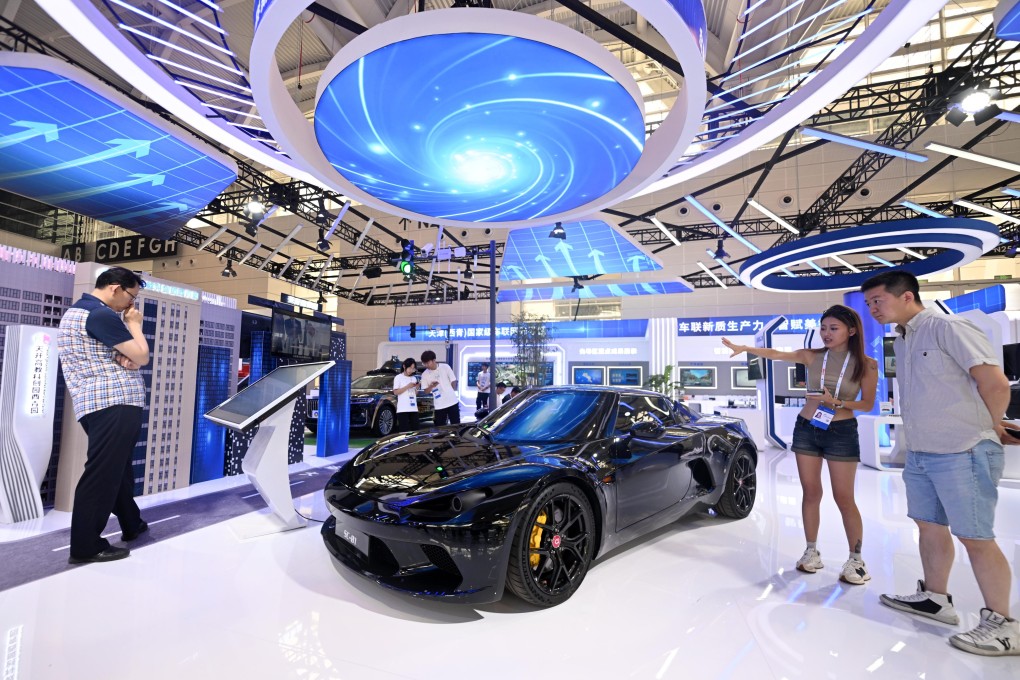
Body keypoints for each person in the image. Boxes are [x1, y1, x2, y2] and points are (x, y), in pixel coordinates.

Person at [862, 270, 1020, 656]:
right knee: (929, 526)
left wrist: (990, 425)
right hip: (921, 452)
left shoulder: (948, 327)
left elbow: (995, 383)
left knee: (976, 537)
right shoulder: (903, 339)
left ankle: (1004, 626)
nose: (872, 309)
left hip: (963, 449)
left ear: (907, 296)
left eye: (878, 301)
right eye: (868, 304)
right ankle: (936, 599)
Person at [722, 304, 877, 586]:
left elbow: (867, 403)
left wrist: (836, 402)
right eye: (823, 328)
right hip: (807, 428)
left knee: (844, 497)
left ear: (852, 331)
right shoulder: (812, 356)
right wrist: (744, 348)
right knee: (810, 492)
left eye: (834, 328)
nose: (826, 333)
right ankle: (811, 551)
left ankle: (856, 559)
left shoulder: (867, 364)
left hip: (842, 432)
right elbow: (776, 354)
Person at [57, 267, 150, 564]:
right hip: (114, 400)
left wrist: (127, 358)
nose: (130, 304)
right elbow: (142, 355)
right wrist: (134, 325)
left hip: (95, 402)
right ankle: (86, 546)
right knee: (102, 474)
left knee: (117, 469)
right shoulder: (100, 314)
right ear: (114, 288)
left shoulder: (79, 312)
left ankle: (131, 523)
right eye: (131, 296)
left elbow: (113, 356)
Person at [421, 349, 460, 426]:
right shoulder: (424, 374)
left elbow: (453, 380)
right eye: (424, 363)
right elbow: (426, 391)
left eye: (428, 363)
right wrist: (431, 386)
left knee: (456, 425)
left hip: (452, 402)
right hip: (439, 405)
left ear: (434, 360)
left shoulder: (445, 367)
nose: (426, 365)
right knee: (440, 427)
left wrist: (450, 391)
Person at [392, 357, 420, 433]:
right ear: (404, 366)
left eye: (413, 368)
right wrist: (408, 386)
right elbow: (395, 392)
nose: (411, 370)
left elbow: (415, 394)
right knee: (404, 433)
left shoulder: (414, 378)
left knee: (416, 432)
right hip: (403, 409)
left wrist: (417, 388)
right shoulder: (398, 377)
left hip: (413, 409)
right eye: (410, 368)